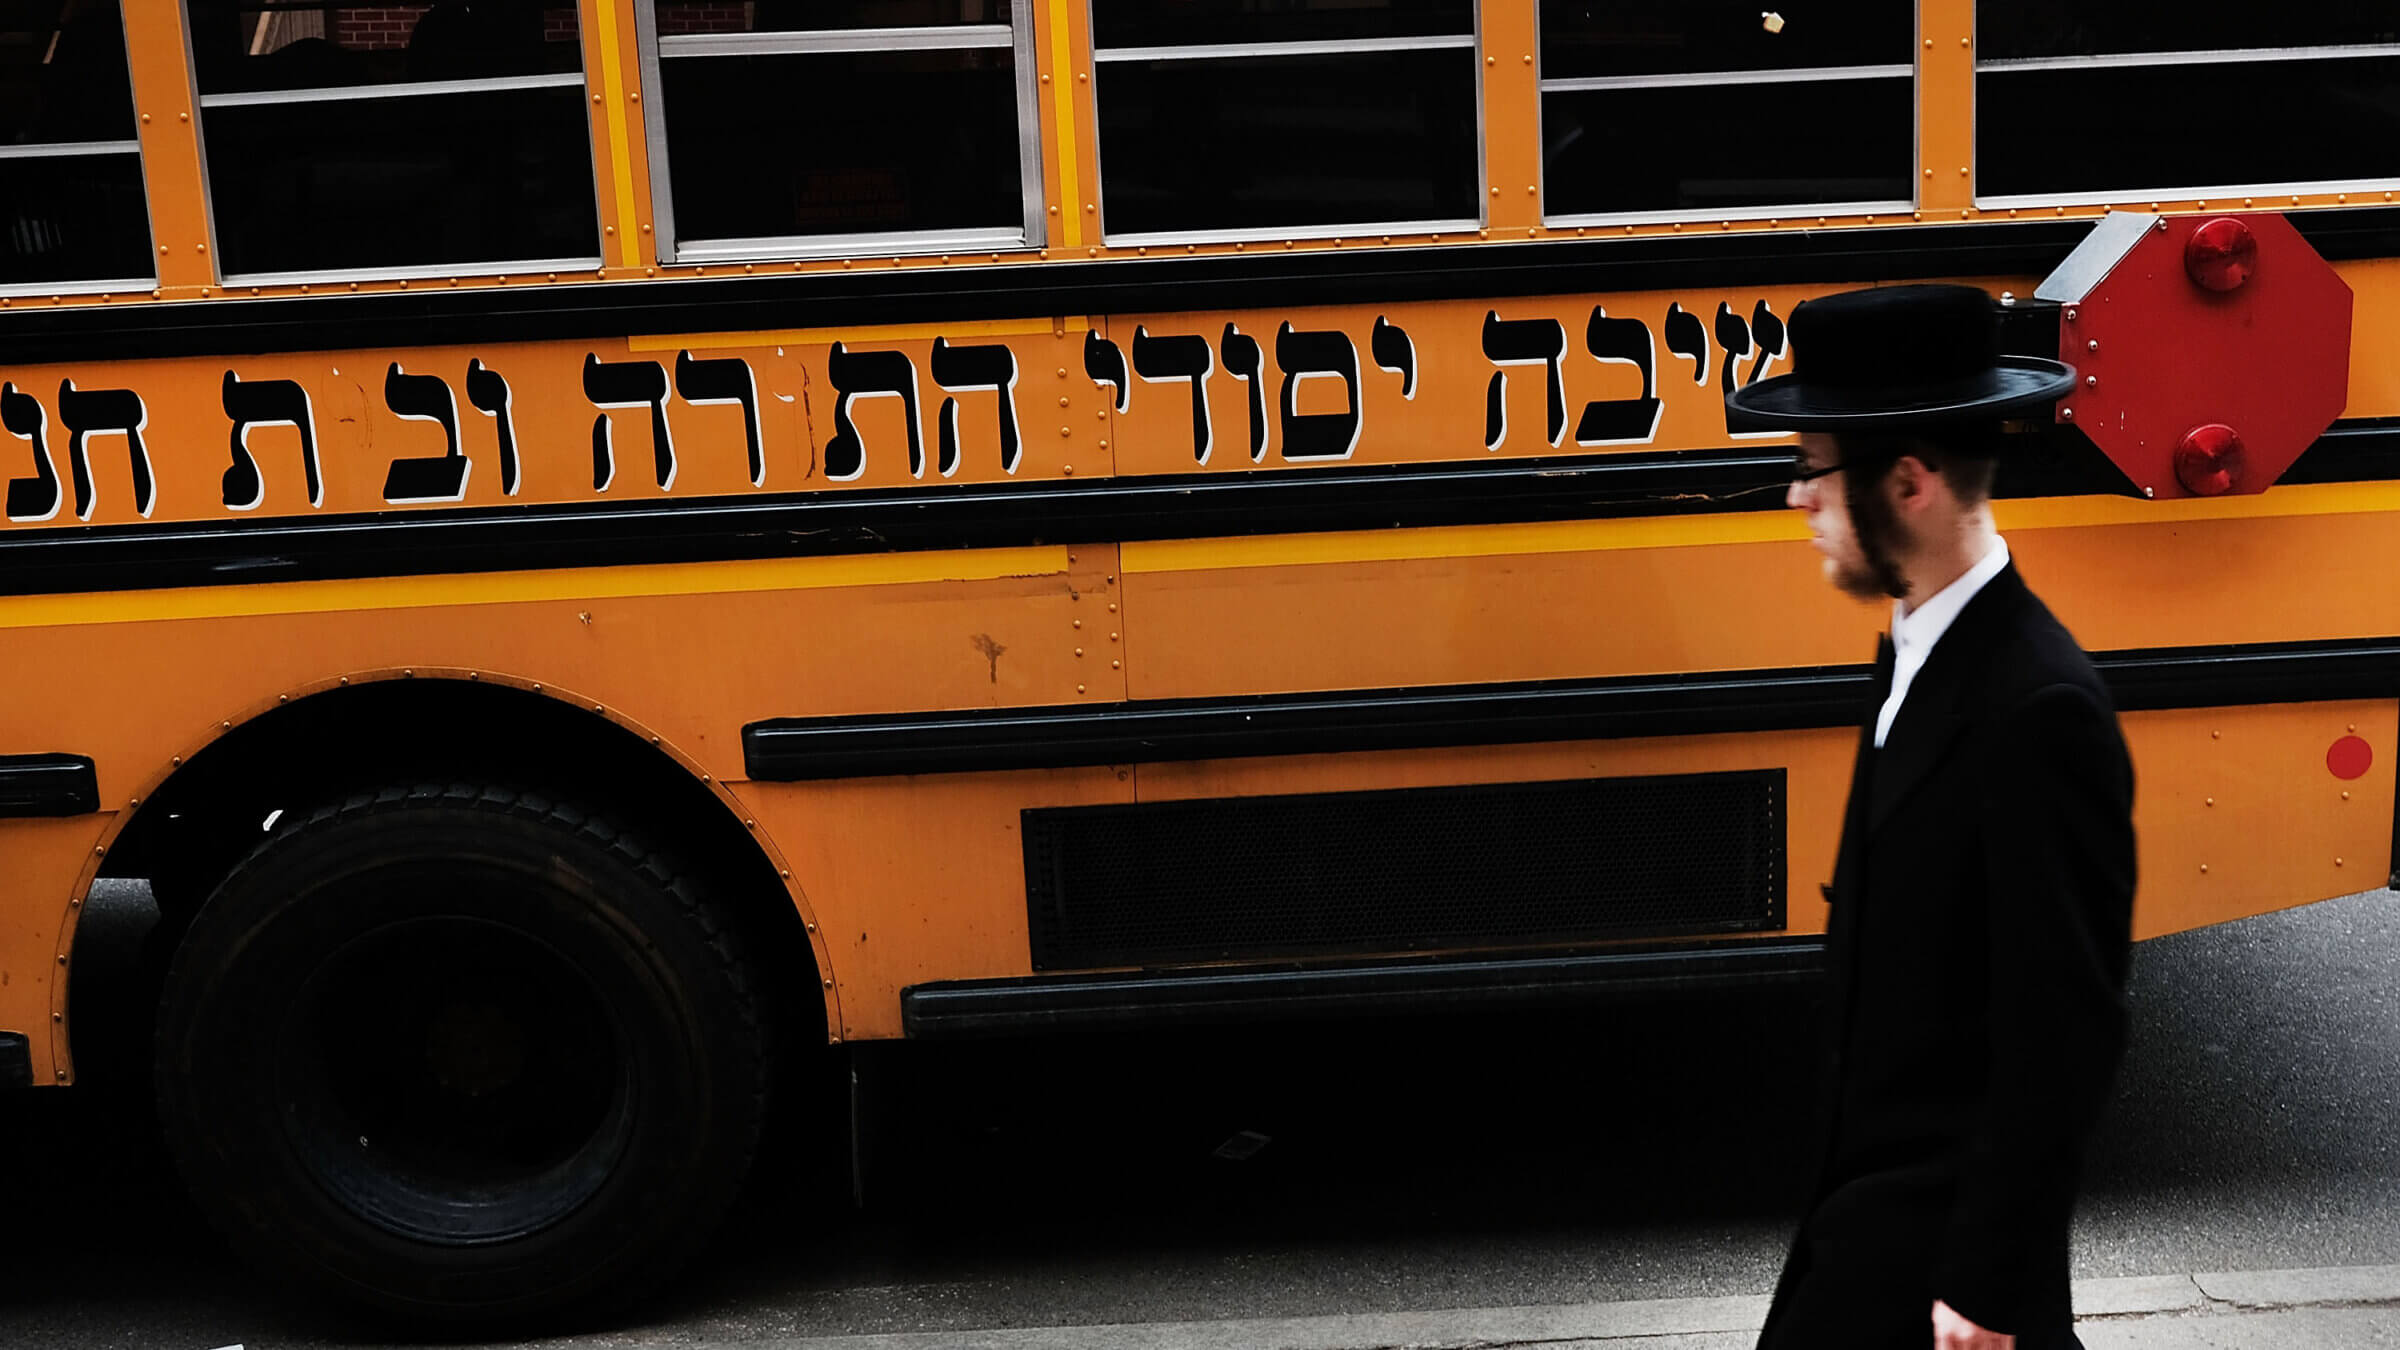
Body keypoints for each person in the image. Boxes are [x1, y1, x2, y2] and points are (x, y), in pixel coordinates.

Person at [1725, 285, 2138, 1350]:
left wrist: (1990, 1289)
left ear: (1908, 482)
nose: (1795, 499)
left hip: (1943, 1283)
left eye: (1813, 468)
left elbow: (2062, 1028)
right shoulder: (1916, 650)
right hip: (1863, 1235)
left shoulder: (2038, 708)